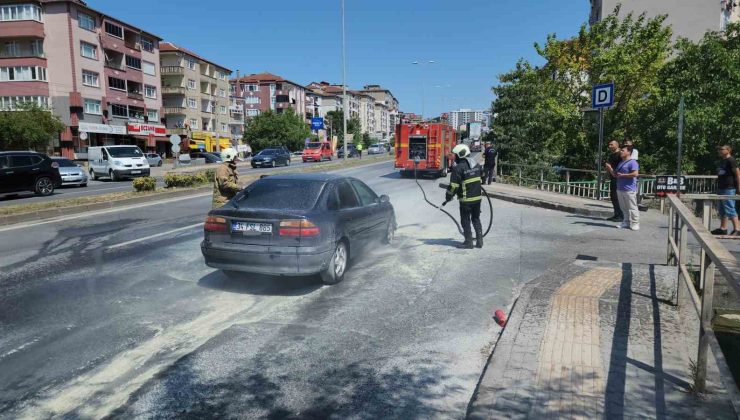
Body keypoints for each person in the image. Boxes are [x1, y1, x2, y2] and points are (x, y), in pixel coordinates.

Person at [443, 144, 484, 249]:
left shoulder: (458, 168)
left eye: (455, 155)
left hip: (466, 200)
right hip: (478, 198)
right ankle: (479, 242)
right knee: (476, 218)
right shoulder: (476, 165)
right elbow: (482, 178)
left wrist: (448, 197)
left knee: (465, 220)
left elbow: (453, 187)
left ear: (460, 155)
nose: (454, 157)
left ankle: (468, 242)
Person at [605, 145, 639, 230]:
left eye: (623, 150)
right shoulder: (621, 163)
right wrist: (610, 169)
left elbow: (635, 174)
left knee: (632, 207)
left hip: (629, 189)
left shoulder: (633, 162)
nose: (621, 152)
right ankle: (626, 222)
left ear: (629, 152)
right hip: (620, 188)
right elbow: (616, 175)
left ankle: (635, 223)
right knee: (623, 208)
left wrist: (624, 175)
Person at [712, 145, 740, 235]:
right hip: (721, 187)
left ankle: (737, 229)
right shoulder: (722, 161)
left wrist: (739, 187)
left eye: (722, 149)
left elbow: (738, 174)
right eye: (719, 149)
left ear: (728, 150)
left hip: (729, 188)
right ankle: (723, 228)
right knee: (722, 209)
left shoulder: (731, 160)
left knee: (730, 208)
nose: (720, 151)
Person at [604, 140, 623, 222]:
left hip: (618, 178)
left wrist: (610, 169)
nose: (610, 146)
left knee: (617, 197)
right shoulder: (611, 155)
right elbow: (608, 167)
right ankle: (616, 214)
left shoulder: (620, 154)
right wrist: (605, 177)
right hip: (612, 177)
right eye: (609, 145)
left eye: (611, 145)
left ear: (617, 145)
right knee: (613, 197)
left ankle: (621, 215)